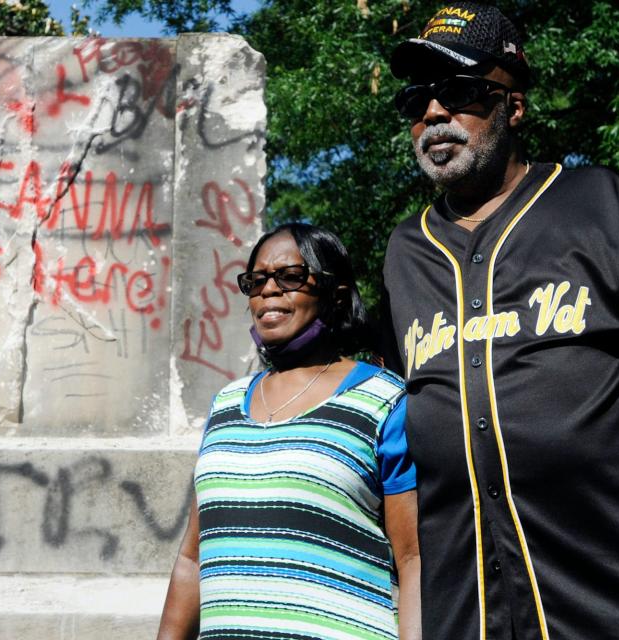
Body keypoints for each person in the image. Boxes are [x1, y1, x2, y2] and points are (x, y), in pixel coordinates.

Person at [380, 2, 619, 639]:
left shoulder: (601, 204)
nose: (433, 113)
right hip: (470, 609)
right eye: (418, 99)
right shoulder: (406, 251)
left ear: (514, 105)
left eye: (460, 93)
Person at [157, 222, 421, 640]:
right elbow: (192, 558)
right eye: (256, 280)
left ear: (335, 294)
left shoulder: (384, 400)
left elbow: (412, 560)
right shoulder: (226, 404)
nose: (268, 290)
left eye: (290, 277)